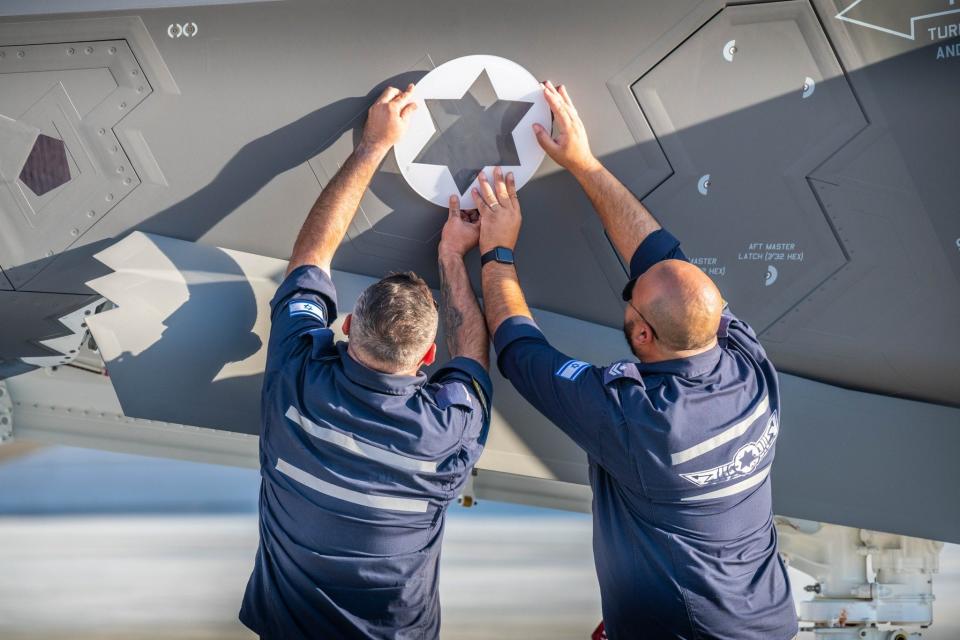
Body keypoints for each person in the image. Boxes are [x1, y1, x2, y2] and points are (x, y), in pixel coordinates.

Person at [474, 81, 797, 639]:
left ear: (643, 334)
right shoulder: (746, 365)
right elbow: (663, 259)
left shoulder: (642, 424)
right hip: (762, 622)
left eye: (631, 297)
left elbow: (522, 354)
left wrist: (497, 251)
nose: (627, 289)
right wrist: (583, 163)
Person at [239, 84, 493, 640]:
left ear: (349, 325)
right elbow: (473, 353)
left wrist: (372, 145)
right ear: (428, 356)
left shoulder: (298, 381)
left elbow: (311, 260)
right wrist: (454, 259)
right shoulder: (443, 434)